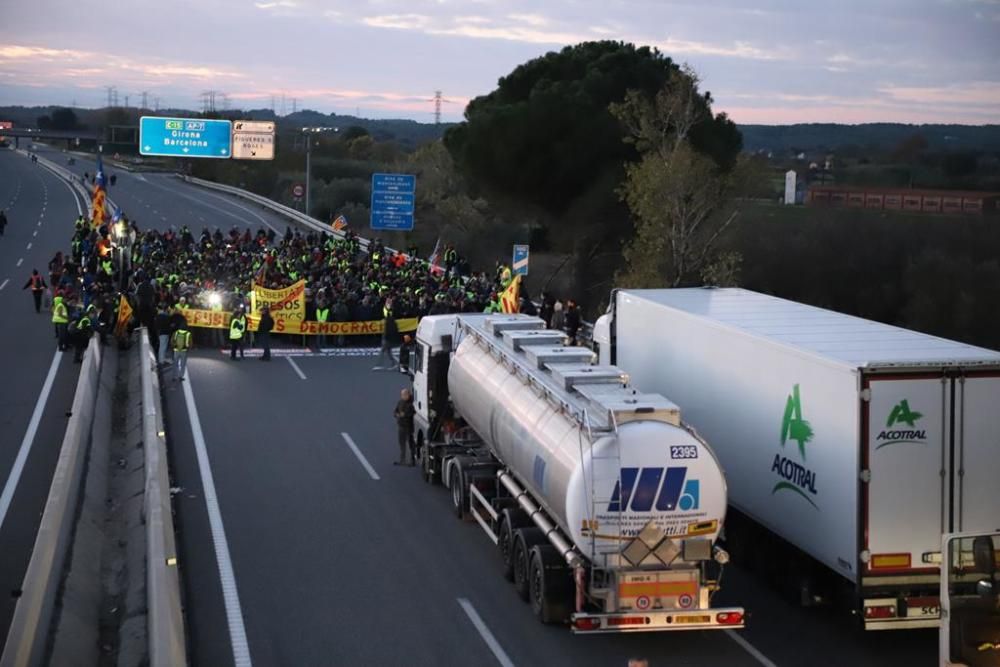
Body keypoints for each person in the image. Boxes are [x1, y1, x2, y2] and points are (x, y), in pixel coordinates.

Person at [374, 299, 399, 370]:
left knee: (383, 350)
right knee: (388, 351)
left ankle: (379, 364)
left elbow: (390, 330)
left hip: (387, 338)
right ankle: (393, 363)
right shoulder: (388, 318)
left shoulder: (390, 318)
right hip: (386, 337)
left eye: (389, 303)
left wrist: (386, 337)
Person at [393, 388, 415, 466]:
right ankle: (402, 460)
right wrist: (397, 414)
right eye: (402, 394)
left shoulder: (411, 404)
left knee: (410, 444)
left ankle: (412, 461)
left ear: (408, 395)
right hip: (401, 426)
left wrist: (404, 415)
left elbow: (412, 413)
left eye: (405, 394)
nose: (403, 396)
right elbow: (395, 412)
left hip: (408, 427)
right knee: (402, 443)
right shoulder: (400, 402)